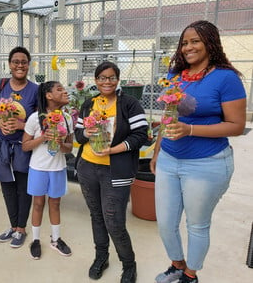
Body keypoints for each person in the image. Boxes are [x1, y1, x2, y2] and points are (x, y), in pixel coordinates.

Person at [150, 20, 246, 283]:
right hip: (170, 159)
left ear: (210, 43)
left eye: (195, 41)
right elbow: (168, 117)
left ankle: (190, 275)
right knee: (166, 223)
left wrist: (190, 130)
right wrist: (158, 152)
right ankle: (177, 265)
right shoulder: (174, 76)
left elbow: (236, 126)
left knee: (197, 224)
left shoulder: (226, 78)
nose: (188, 47)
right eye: (184, 43)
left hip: (207, 164)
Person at [74, 61, 148, 282]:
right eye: (102, 78)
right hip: (87, 167)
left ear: (117, 80)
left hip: (116, 170)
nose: (107, 81)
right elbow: (77, 137)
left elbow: (140, 135)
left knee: (114, 220)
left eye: (111, 77)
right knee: (96, 215)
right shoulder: (88, 104)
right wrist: (86, 132)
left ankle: (129, 264)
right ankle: (101, 257)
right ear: (96, 81)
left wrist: (114, 149)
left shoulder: (130, 104)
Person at [0, 46, 38, 248]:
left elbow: (41, 121)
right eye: (16, 61)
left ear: (29, 65)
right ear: (9, 64)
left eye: (24, 62)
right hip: (2, 146)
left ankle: (21, 228)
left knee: (23, 188)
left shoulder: (35, 90)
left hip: (22, 146)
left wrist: (21, 125)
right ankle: (13, 226)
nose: (20, 65)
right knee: (7, 186)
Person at [22, 81, 74, 260]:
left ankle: (56, 239)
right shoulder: (35, 118)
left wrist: (60, 143)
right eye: (59, 89)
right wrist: (43, 137)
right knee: (37, 204)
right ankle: (35, 240)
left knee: (55, 204)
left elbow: (69, 148)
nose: (64, 91)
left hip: (58, 168)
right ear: (48, 95)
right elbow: (25, 146)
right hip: (38, 168)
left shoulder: (67, 118)